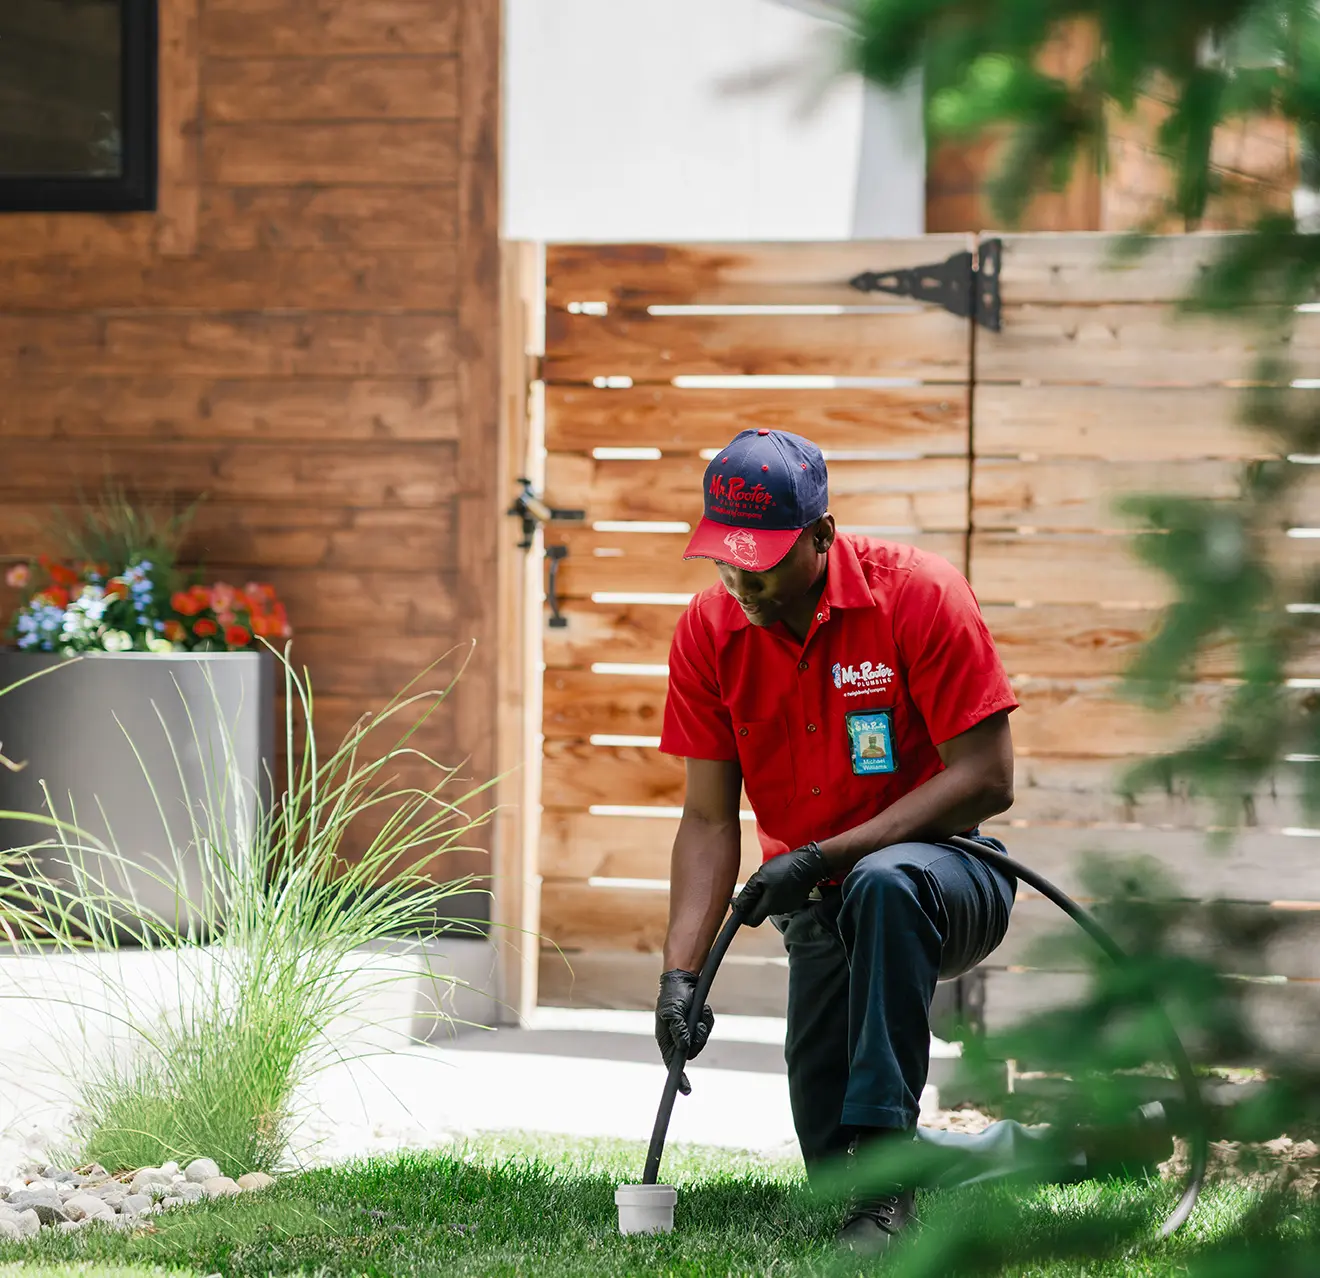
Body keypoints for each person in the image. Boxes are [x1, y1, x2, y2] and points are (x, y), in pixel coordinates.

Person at [653, 426, 1022, 1253]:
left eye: (767, 559)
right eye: (725, 558)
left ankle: (891, 1197)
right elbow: (708, 819)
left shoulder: (919, 595)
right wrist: (681, 975)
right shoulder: (710, 633)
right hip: (817, 904)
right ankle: (1064, 1149)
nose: (742, 580)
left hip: (947, 879)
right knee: (835, 1158)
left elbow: (990, 778)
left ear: (822, 534)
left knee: (885, 883)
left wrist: (829, 855)